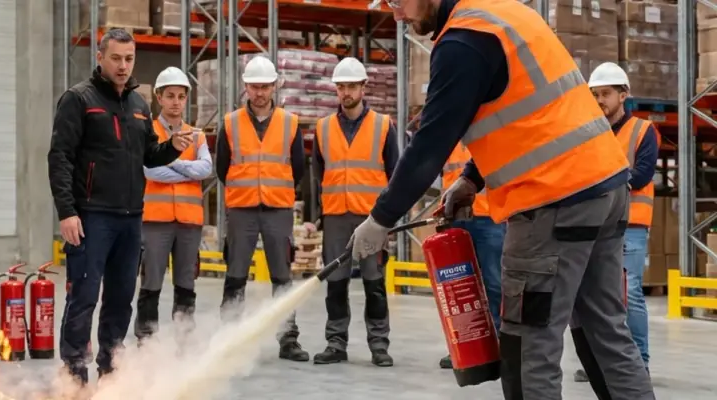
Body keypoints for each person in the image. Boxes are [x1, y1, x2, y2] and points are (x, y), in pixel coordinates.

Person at [350, 0, 655, 398]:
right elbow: (530, 113)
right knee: (605, 333)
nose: (398, 15)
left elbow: (430, 144)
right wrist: (472, 179)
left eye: (398, 1)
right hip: (605, 190)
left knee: (529, 346)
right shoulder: (505, 14)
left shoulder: (462, 41)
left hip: (553, 201)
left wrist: (381, 218)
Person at [48, 28, 193, 385]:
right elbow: (60, 158)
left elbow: (149, 157)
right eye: (116, 58)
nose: (123, 66)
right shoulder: (78, 100)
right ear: (100, 57)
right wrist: (67, 212)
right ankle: (74, 375)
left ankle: (111, 371)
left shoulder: (139, 105)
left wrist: (173, 146)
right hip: (91, 218)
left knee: (120, 301)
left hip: (130, 220)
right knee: (83, 299)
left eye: (129, 59)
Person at [216, 55, 310, 362]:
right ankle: (230, 338)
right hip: (242, 209)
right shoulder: (229, 124)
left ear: (274, 86)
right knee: (236, 274)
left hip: (277, 209)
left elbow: (298, 166)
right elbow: (221, 167)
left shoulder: (290, 123)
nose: (260, 93)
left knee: (282, 276)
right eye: (255, 87)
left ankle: (288, 340)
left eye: (265, 87)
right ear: (246, 87)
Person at [573, 62, 660, 384]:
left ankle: (640, 365)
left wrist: (602, 185)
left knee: (630, 292)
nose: (599, 100)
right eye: (595, 94)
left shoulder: (643, 130)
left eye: (606, 93)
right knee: (595, 294)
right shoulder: (589, 131)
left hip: (631, 224)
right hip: (594, 224)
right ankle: (598, 362)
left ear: (623, 95)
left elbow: (643, 175)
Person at [311, 57, 399, 367]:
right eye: (341, 87)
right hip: (336, 216)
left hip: (372, 219)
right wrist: (317, 216)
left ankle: (378, 345)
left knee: (374, 283)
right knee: (336, 283)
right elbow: (318, 174)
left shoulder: (383, 126)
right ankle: (336, 343)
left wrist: (387, 218)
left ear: (363, 88)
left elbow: (395, 174)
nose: (346, 92)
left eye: (351, 86)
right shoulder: (322, 129)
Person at [134, 66, 212, 344]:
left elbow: (206, 169)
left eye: (181, 96)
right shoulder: (148, 132)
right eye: (170, 96)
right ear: (158, 97)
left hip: (189, 222)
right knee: (151, 281)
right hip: (156, 221)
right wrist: (186, 169)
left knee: (186, 282)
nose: (176, 101)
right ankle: (146, 337)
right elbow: (149, 171)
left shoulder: (197, 135)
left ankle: (183, 337)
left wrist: (171, 161)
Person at [437, 143, 506, 370]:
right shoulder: (449, 131)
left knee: (494, 285)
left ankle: (496, 344)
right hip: (455, 217)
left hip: (492, 217)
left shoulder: (490, 128)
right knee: (458, 288)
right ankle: (463, 346)